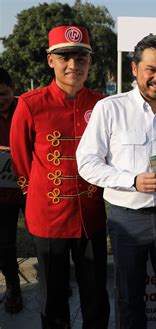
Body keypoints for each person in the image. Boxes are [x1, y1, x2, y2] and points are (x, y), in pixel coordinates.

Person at [76, 34, 156, 329]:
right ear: (134, 69)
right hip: (127, 220)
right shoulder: (110, 109)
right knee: (129, 297)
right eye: (151, 69)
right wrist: (131, 180)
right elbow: (87, 163)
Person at [9, 25, 110, 328]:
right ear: (50, 60)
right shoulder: (30, 103)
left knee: (95, 293)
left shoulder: (102, 104)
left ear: (90, 62)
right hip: (48, 215)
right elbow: (20, 157)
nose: (73, 66)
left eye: (81, 58)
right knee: (52, 297)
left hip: (91, 215)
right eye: (64, 57)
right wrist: (39, 192)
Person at [0, 68, 24, 314]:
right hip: (2, 193)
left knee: (45, 241)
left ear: (13, 88)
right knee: (5, 244)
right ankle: (13, 287)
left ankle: (54, 283)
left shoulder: (26, 108)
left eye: (4, 94)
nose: (0, 100)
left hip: (31, 189)